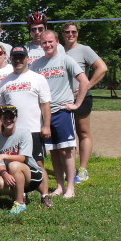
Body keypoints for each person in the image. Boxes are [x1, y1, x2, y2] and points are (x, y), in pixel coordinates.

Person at [31, 30, 89, 199]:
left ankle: (71, 187)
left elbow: (84, 81)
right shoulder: (36, 65)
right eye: (44, 42)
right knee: (54, 152)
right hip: (46, 114)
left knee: (66, 151)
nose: (47, 45)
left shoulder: (66, 59)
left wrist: (77, 104)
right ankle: (59, 186)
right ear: (40, 44)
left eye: (50, 42)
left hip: (63, 111)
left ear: (57, 42)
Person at [0, 45, 54, 207]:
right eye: (15, 57)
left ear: (27, 58)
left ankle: (45, 195)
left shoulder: (37, 78)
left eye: (21, 57)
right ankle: (22, 195)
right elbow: (0, 109)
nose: (18, 60)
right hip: (13, 132)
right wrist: (0, 128)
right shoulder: (4, 82)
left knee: (38, 163)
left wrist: (46, 125)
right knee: (15, 165)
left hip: (33, 129)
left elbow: (45, 104)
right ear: (11, 59)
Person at [61, 21, 107, 183]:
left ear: (77, 33)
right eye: (67, 32)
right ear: (63, 34)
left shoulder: (84, 50)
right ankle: (70, 169)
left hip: (82, 99)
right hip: (64, 100)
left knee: (83, 132)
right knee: (69, 135)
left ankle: (83, 169)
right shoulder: (59, 50)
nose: (70, 35)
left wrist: (86, 86)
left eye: (73, 32)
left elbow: (102, 68)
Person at [0, 105, 45, 214]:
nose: (8, 120)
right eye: (5, 117)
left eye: (11, 117)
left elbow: (23, 157)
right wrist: (5, 174)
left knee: (14, 164)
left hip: (32, 174)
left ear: (16, 118)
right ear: (0, 119)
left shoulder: (24, 133)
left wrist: (4, 156)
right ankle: (22, 195)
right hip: (13, 173)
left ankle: (19, 203)